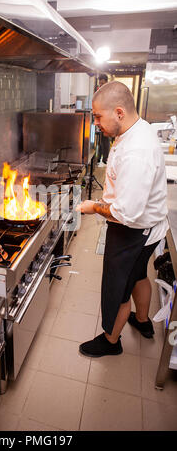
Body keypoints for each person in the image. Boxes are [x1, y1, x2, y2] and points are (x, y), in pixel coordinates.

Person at [76, 81, 168, 358]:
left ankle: (110, 340)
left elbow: (127, 213)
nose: (96, 124)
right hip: (148, 230)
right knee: (139, 275)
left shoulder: (137, 152)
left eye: (98, 117)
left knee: (118, 288)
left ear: (118, 112)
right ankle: (142, 321)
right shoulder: (133, 130)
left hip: (132, 232)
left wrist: (93, 206)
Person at [95, 74, 111, 166]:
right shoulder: (100, 91)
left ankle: (105, 159)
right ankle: (98, 159)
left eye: (102, 83)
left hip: (107, 118)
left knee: (105, 139)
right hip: (100, 117)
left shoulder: (109, 91)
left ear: (106, 81)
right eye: (100, 83)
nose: (100, 85)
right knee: (100, 139)